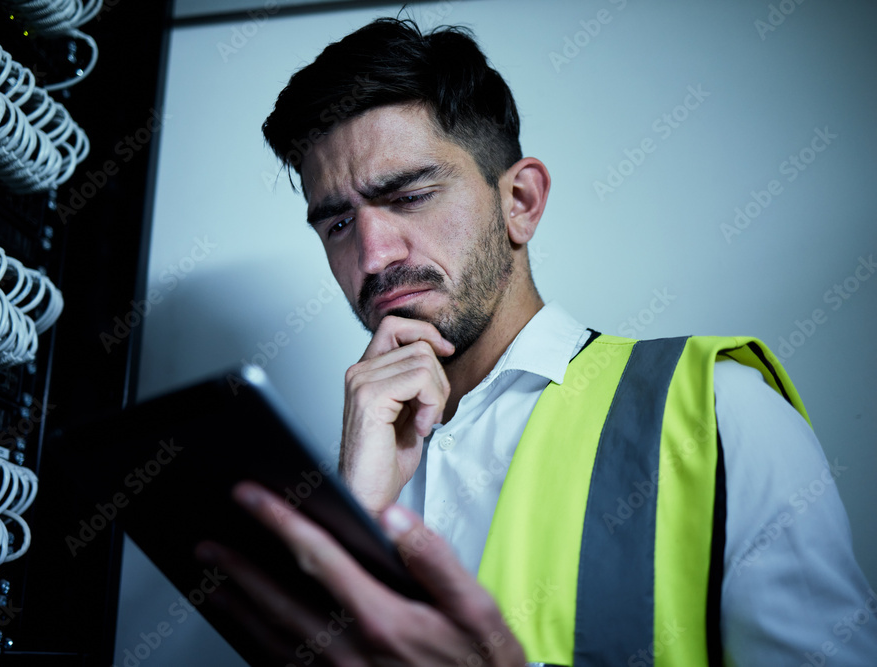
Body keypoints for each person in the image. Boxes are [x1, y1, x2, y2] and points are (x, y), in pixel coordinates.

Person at [196, 17, 877, 666]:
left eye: (408, 196)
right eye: (338, 223)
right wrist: (353, 518)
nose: (373, 255)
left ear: (520, 201)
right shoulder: (355, 464)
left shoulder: (719, 409)